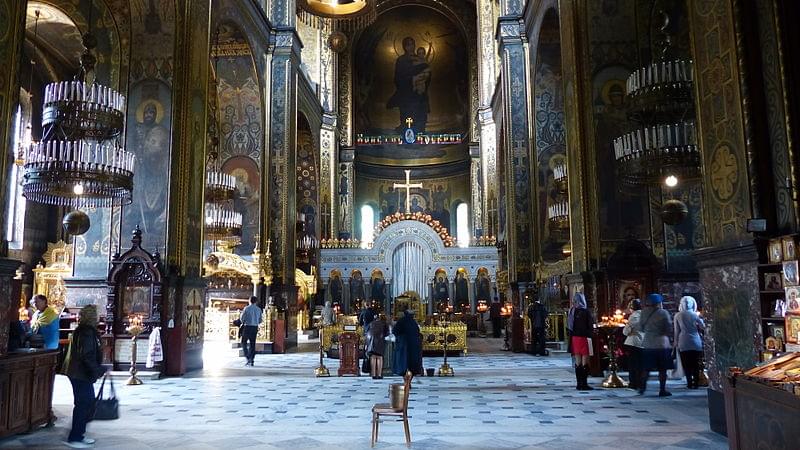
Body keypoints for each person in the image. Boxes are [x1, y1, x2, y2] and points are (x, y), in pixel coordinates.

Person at [63, 305, 106, 448]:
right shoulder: (86, 332)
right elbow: (86, 355)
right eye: (97, 314)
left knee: (87, 403)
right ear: (92, 316)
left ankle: (79, 434)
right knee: (83, 404)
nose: (99, 316)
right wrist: (97, 370)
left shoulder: (87, 331)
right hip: (80, 373)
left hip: (81, 373)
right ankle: (74, 438)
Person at [639, 293, 674, 396]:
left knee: (646, 368)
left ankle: (642, 387)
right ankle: (662, 389)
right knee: (662, 369)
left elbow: (641, 327)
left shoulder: (643, 313)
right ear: (659, 303)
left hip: (647, 344)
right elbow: (668, 328)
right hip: (661, 344)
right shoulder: (663, 313)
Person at [674, 296, 706, 389]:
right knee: (695, 363)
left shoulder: (678, 315)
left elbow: (676, 331)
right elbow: (703, 326)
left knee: (686, 364)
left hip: (683, 341)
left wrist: (675, 343)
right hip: (695, 340)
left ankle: (689, 382)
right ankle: (696, 382)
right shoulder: (695, 315)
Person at [567, 292, 595, 391]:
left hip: (575, 338)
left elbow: (570, 326)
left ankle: (579, 384)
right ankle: (584, 383)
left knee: (578, 361)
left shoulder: (572, 311)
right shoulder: (585, 312)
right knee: (585, 361)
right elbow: (590, 326)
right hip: (584, 338)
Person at [393, 306, 423, 376]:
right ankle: (409, 380)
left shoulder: (401, 321)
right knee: (411, 364)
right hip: (413, 345)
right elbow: (418, 333)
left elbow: (395, 331)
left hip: (403, 344)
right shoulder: (414, 322)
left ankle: (405, 378)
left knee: (403, 362)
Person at [623, 299, 644, 390]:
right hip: (644, 342)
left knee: (633, 364)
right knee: (641, 364)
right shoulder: (645, 315)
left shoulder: (634, 316)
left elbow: (626, 331)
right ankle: (640, 382)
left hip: (633, 342)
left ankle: (633, 383)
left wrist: (626, 326)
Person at [240, 296, 262, 367]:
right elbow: (260, 320)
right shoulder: (258, 309)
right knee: (252, 344)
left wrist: (244, 321)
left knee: (243, 342)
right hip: (255, 327)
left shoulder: (247, 308)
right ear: (256, 301)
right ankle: (252, 359)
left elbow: (242, 318)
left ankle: (247, 357)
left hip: (247, 327)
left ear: (249, 301)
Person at [366, 313, 389, 379]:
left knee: (373, 357)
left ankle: (373, 374)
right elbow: (387, 333)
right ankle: (379, 374)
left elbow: (366, 332)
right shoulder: (384, 324)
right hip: (380, 341)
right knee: (379, 357)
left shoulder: (371, 323)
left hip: (372, 342)